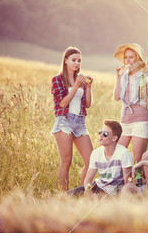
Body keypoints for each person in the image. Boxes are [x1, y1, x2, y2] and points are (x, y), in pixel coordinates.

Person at [51, 46, 93, 191]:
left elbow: (87, 104)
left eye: (79, 61)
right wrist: (75, 86)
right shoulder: (57, 79)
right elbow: (62, 103)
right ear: (66, 60)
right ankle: (65, 195)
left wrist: (89, 87)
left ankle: (85, 191)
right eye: (73, 60)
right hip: (64, 121)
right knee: (66, 161)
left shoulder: (80, 79)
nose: (76, 63)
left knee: (91, 161)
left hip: (80, 123)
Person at [113, 43, 148, 161]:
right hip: (125, 121)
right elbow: (116, 97)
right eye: (126, 57)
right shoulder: (123, 76)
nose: (128, 60)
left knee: (137, 159)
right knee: (118, 155)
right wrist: (117, 77)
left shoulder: (147, 77)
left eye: (131, 57)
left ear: (138, 58)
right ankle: (123, 179)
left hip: (140, 122)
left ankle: (139, 179)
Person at [68, 120, 133, 196]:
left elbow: (127, 184)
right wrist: (89, 192)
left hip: (116, 192)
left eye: (105, 134)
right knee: (64, 197)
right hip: (99, 187)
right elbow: (88, 180)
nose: (101, 136)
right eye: (100, 132)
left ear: (114, 138)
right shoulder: (96, 153)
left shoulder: (124, 153)